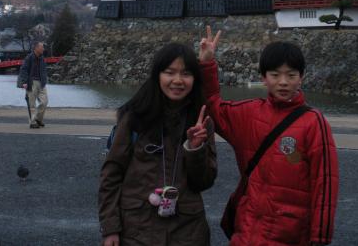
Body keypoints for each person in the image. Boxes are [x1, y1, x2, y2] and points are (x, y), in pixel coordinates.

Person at [199, 26, 339, 246]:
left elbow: (325, 182)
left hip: (290, 234)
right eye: (275, 75)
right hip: (247, 229)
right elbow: (212, 107)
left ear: (301, 78)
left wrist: (319, 237)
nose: (283, 82)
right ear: (264, 78)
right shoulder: (248, 113)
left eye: (291, 75)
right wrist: (207, 63)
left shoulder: (314, 122)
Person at [99, 42, 217, 246]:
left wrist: (195, 148)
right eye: (169, 72)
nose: (178, 81)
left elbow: (203, 182)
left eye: (186, 74)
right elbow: (111, 174)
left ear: (195, 79)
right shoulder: (134, 117)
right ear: (157, 75)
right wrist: (110, 228)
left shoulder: (202, 121)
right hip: (136, 232)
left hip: (188, 233)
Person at [19, 41, 48, 129]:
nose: (43, 49)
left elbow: (43, 70)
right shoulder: (29, 58)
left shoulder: (42, 58)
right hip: (32, 82)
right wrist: (24, 82)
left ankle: (38, 119)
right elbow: (23, 70)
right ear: (36, 48)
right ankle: (32, 122)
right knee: (32, 104)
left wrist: (45, 79)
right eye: (42, 47)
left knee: (44, 102)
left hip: (42, 82)